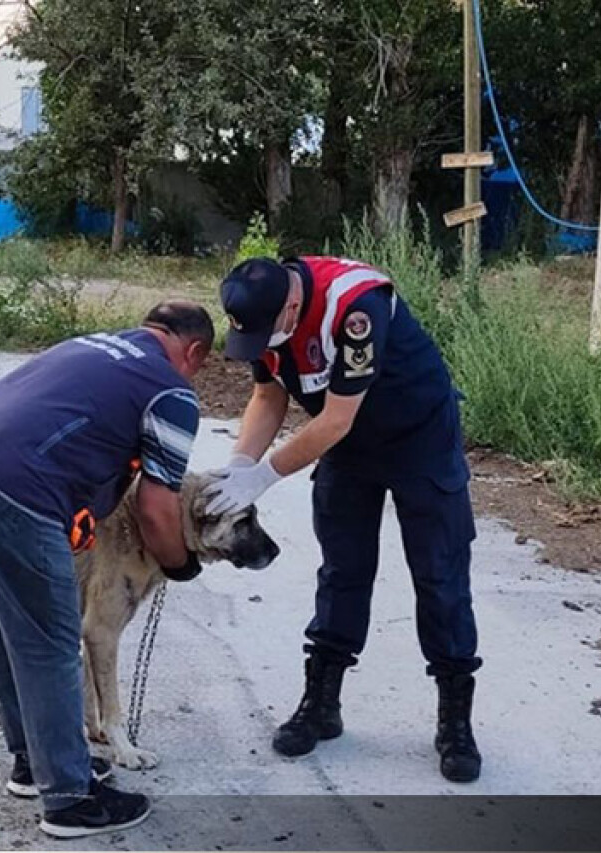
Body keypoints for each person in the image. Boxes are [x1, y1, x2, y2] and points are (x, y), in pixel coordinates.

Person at [0, 301, 214, 837]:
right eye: (198, 364)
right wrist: (180, 564)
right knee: (51, 644)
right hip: (15, 488)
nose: (193, 374)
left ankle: (35, 765)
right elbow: (156, 508)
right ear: (193, 351)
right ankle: (70, 800)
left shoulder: (89, 345)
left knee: (3, 635)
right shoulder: (171, 390)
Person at [206, 256, 483, 782]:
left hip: (418, 441)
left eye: (272, 330)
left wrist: (264, 477)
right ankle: (322, 704)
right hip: (348, 449)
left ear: (292, 304)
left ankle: (455, 722)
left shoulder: (355, 307)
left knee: (440, 576)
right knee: (343, 571)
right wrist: (238, 466)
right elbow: (268, 395)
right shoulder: (265, 312)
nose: (264, 342)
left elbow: (335, 419)